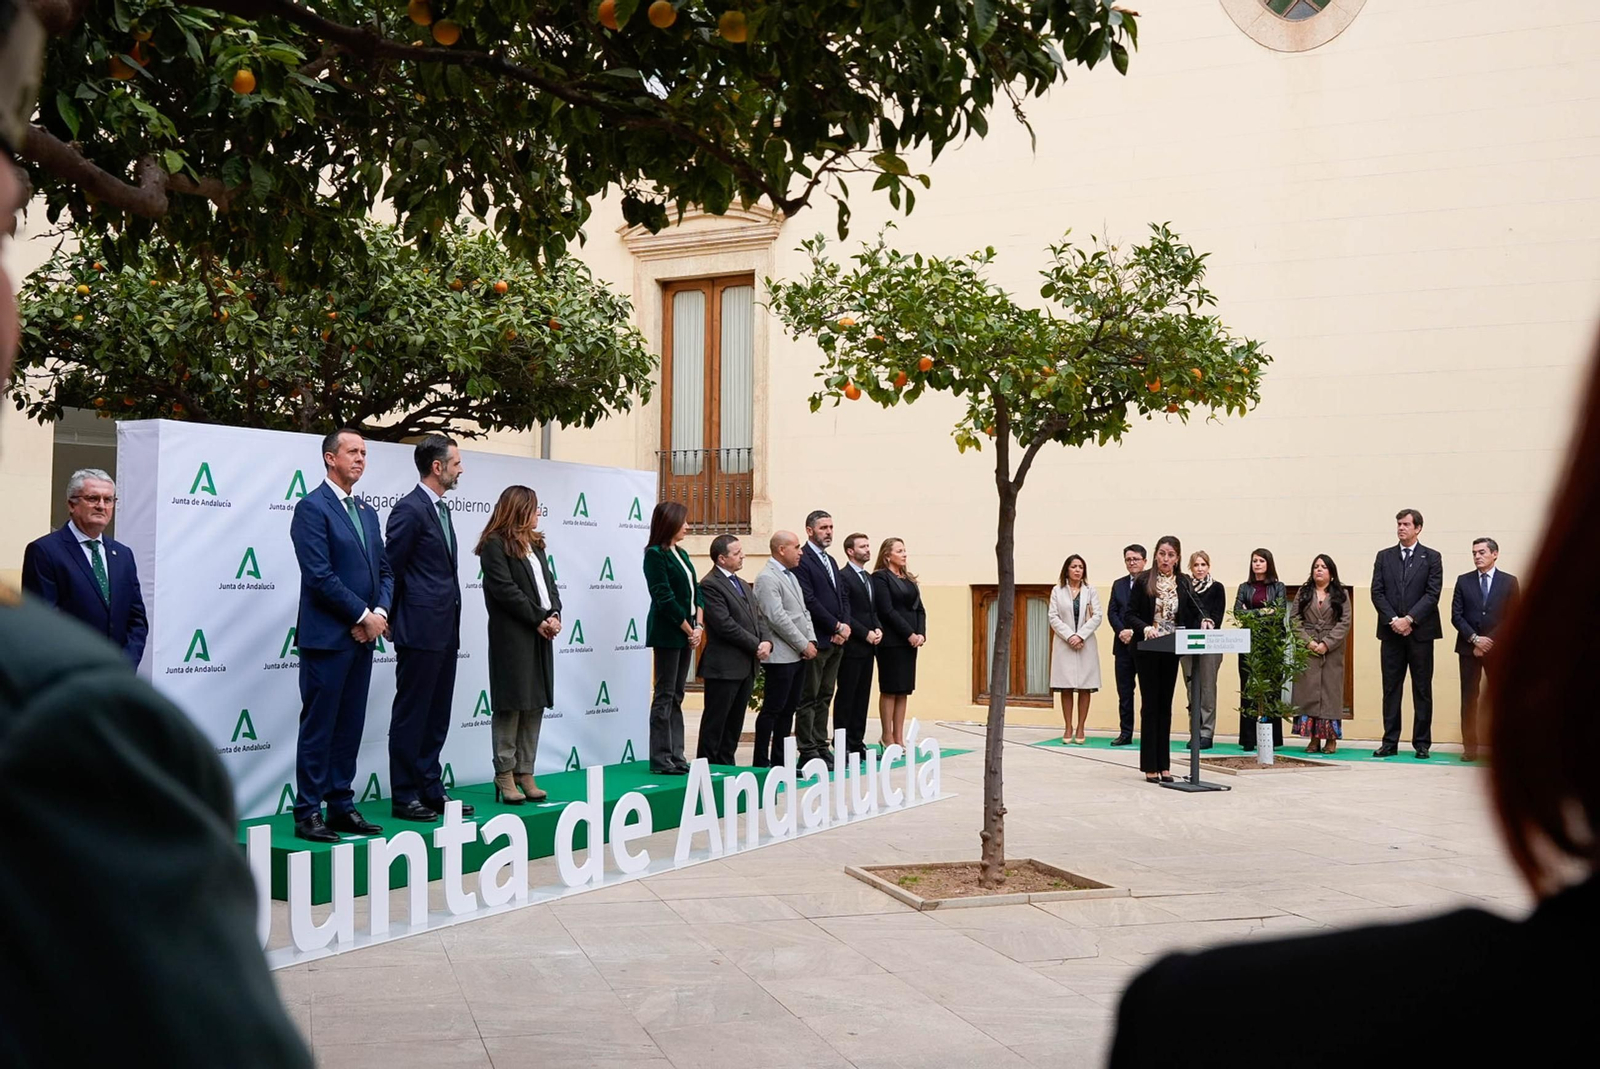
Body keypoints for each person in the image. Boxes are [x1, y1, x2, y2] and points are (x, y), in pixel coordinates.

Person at [1109, 330, 1600, 1069]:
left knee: (1370, 696)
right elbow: (1364, 597)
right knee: (1354, 696)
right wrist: (1386, 620)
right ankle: (1399, 738)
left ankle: (1422, 740)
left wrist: (1392, 623)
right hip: (1361, 638)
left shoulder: (1195, 1015)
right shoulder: (1261, 581)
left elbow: (1368, 603)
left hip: (1405, 636)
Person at [0, 30, 312, 1059]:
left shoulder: (109, 598)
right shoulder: (55, 719)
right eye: (8, 228)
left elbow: (130, 613)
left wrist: (117, 663)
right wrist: (92, 684)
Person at [289, 428, 394, 843]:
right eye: (353, 451)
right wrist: (363, 614)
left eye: (364, 453)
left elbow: (384, 570)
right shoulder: (311, 508)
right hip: (328, 638)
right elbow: (318, 575)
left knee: (349, 724)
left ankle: (341, 805)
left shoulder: (367, 511)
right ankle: (308, 812)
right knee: (320, 726)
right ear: (330, 458)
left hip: (363, 638)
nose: (361, 458)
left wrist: (380, 613)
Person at [383, 434, 471, 823]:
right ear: (437, 467)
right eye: (456, 462)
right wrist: (388, 614)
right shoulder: (409, 510)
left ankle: (430, 787)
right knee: (412, 713)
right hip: (417, 628)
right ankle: (404, 794)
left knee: (437, 713)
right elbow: (392, 568)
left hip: (444, 627)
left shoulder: (442, 510)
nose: (461, 469)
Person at [476, 485, 560, 803]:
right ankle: (505, 773)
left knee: (534, 701)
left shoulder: (536, 544)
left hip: (540, 632)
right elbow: (505, 590)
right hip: (513, 635)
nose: (539, 513)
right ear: (520, 509)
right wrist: (539, 618)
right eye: (536, 507)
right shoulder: (494, 545)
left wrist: (554, 614)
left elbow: (548, 584)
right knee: (511, 703)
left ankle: (526, 771)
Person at [21, 468, 148, 669]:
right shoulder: (45, 551)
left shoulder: (123, 555)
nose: (101, 506)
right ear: (72, 504)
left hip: (117, 676)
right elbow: (43, 622)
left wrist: (125, 665)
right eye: (93, 498)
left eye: (108, 500)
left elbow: (136, 620)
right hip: (70, 676)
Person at [1120, 535, 1202, 783]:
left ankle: (1164, 765)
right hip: (1147, 648)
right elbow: (1130, 614)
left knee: (1165, 705)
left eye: (1171, 555)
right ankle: (1149, 765)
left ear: (1177, 558)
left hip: (1171, 648)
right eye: (1162, 554)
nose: (1166, 559)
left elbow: (1191, 612)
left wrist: (1204, 621)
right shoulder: (1145, 579)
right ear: (1156, 555)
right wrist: (1145, 628)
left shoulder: (1184, 582)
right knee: (1151, 705)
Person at [1370, 508, 1444, 758]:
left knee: (1422, 688)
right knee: (1391, 688)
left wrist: (1410, 619)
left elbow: (1432, 593)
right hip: (1391, 633)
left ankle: (1422, 743)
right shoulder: (1384, 557)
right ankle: (1390, 741)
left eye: (1406, 524)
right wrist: (1394, 620)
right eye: (1398, 524)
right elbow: (1377, 592)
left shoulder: (1432, 557)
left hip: (1420, 633)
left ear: (1418, 528)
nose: (1401, 528)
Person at [697, 535, 770, 766]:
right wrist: (755, 644)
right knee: (716, 722)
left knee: (735, 723)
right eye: (737, 553)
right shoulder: (710, 584)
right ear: (722, 558)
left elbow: (759, 617)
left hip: (746, 666)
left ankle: (727, 764)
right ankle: (708, 767)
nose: (743, 556)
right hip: (724, 667)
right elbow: (724, 625)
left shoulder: (741, 583)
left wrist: (767, 640)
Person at [642, 501, 703, 775]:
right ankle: (661, 757)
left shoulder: (683, 554)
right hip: (669, 632)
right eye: (683, 522)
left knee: (678, 693)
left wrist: (699, 626)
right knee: (665, 694)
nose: (688, 526)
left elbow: (696, 591)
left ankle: (677, 754)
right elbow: (663, 597)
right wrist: (689, 630)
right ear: (669, 523)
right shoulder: (655, 555)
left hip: (688, 631)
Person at [1450, 537, 1519, 761]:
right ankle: (1470, 747)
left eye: (1481, 552)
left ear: (1495, 554)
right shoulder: (1463, 581)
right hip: (1468, 648)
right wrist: (1474, 639)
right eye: (1474, 553)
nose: (1477, 556)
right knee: (1469, 698)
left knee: (1500, 697)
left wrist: (1489, 641)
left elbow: (1512, 615)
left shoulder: (1509, 582)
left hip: (1497, 649)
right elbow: (1456, 615)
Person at [752, 531, 817, 766]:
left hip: (798, 655)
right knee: (773, 709)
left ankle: (780, 762)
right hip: (781, 655)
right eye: (797, 547)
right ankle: (761, 761)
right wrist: (802, 643)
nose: (801, 552)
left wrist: (811, 641)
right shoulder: (767, 578)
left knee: (788, 710)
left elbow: (803, 611)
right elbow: (776, 617)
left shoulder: (791, 576)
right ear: (781, 549)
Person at [793, 509, 851, 768]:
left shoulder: (831, 560)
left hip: (837, 640)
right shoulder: (803, 560)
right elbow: (809, 600)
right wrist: (834, 626)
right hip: (817, 639)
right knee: (810, 696)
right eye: (823, 527)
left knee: (826, 694)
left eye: (830, 527)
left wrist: (845, 626)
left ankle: (820, 744)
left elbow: (842, 597)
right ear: (809, 531)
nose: (828, 532)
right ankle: (807, 749)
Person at [1289, 555, 1351, 754]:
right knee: (1309, 693)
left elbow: (1345, 622)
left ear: (1331, 572)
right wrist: (1308, 642)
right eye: (1316, 566)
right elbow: (1294, 619)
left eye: (1323, 567)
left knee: (1330, 694)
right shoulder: (1303, 592)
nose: (1319, 570)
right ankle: (1313, 738)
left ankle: (1331, 739)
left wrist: (1327, 643)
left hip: (1331, 651)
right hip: (1308, 650)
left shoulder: (1341, 594)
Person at [872, 537, 927, 750]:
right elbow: (887, 611)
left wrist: (920, 633)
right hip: (892, 641)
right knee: (890, 688)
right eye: (899, 551)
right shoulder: (880, 578)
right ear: (887, 555)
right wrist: (908, 634)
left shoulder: (908, 578)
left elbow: (919, 608)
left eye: (905, 550)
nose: (904, 554)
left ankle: (899, 736)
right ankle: (887, 736)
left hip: (910, 643)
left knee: (903, 689)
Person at [833, 532, 883, 764]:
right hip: (852, 645)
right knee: (847, 695)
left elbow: (872, 610)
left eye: (868, 545)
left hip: (869, 647)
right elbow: (847, 612)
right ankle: (841, 743)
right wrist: (865, 633)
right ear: (850, 551)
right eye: (862, 546)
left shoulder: (868, 577)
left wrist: (878, 628)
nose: (867, 549)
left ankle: (856, 741)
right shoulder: (844, 577)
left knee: (862, 696)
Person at [1233, 548, 1286, 750]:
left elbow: (1279, 612)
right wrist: (1265, 611)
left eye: (1261, 561)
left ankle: (1272, 738)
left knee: (1271, 687)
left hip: (1272, 642)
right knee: (1248, 687)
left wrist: (1252, 612)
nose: (1257, 564)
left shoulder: (1278, 586)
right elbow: (1238, 613)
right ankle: (1248, 739)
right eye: (1254, 560)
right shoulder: (1244, 587)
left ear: (1268, 564)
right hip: (1248, 642)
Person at [1047, 553, 1102, 745]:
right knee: (1067, 686)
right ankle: (1068, 726)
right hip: (1065, 643)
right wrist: (1070, 636)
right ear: (1067, 570)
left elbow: (1097, 616)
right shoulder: (1057, 591)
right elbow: (1053, 617)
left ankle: (1081, 727)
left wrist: (1080, 635)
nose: (1078, 570)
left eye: (1081, 567)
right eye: (1074, 567)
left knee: (1085, 686)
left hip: (1085, 643)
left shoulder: (1091, 591)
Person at [1180, 550, 1226, 749]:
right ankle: (1195, 731)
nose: (1199, 569)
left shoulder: (1217, 588)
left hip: (1210, 644)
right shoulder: (1184, 587)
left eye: (1203, 565)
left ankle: (1207, 732)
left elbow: (1217, 615)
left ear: (1209, 566)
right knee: (1192, 688)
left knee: (1207, 688)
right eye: (1196, 565)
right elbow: (1182, 615)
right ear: (1191, 567)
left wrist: (1206, 622)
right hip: (1187, 643)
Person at [1106, 544, 1146, 746]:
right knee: (1124, 692)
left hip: (1145, 645)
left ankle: (1148, 733)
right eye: (1128, 559)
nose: (1132, 563)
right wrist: (1121, 630)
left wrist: (1135, 631)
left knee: (1148, 692)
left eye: (1136, 559)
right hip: (1122, 646)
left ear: (1145, 561)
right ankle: (1125, 733)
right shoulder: (1118, 584)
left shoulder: (1152, 583)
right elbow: (1112, 612)